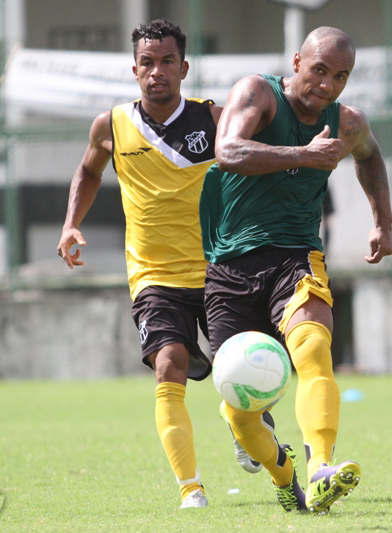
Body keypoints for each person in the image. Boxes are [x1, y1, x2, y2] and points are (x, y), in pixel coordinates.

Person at [56, 19, 269, 510]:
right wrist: (70, 224)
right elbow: (88, 170)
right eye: (147, 63)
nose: (157, 72)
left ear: (184, 67)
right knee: (168, 366)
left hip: (221, 269)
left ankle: (248, 424)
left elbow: (252, 162)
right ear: (134, 70)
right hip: (154, 276)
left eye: (167, 62)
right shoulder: (110, 125)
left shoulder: (214, 119)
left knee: (248, 371)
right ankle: (191, 489)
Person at [200, 26, 392, 514]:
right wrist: (302, 155)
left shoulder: (347, 123)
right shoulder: (257, 93)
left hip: (296, 255)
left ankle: (321, 468)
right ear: (297, 61)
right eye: (320, 70)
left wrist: (383, 223)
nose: (328, 84)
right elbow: (228, 151)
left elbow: (369, 157)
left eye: (341, 76)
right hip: (230, 268)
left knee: (313, 349)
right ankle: (284, 474)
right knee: (240, 407)